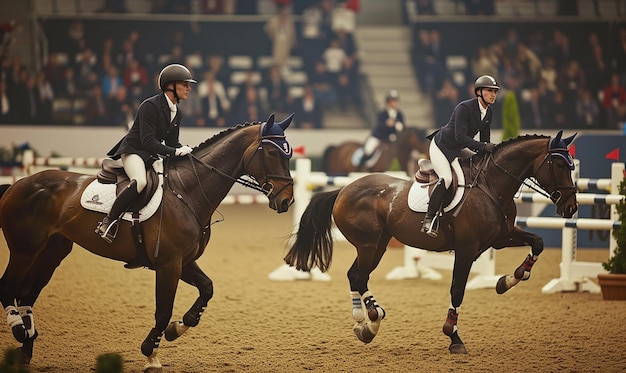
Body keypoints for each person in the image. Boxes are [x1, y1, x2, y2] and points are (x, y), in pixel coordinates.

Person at [95, 63, 197, 243]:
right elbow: (148, 141)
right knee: (140, 182)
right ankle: (108, 221)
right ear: (171, 86)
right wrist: (175, 152)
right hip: (134, 151)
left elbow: (172, 143)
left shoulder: (176, 112)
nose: (189, 88)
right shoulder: (149, 106)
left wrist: (187, 152)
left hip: (150, 154)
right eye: (185, 84)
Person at [422, 75, 499, 237]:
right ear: (479, 92)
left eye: (495, 91)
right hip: (441, 147)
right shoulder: (464, 108)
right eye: (489, 91)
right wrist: (484, 147)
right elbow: (460, 138)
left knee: (479, 167)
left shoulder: (488, 112)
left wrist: (489, 152)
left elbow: (485, 140)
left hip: (458, 148)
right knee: (447, 178)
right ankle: (429, 219)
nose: (493, 94)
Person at [358, 89, 405, 168]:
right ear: (388, 102)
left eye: (396, 101)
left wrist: (396, 124)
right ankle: (362, 165)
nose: (395, 103)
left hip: (392, 140)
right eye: (393, 101)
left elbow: (403, 127)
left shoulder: (399, 114)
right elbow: (379, 126)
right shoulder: (382, 113)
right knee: (368, 149)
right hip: (379, 137)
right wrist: (387, 124)